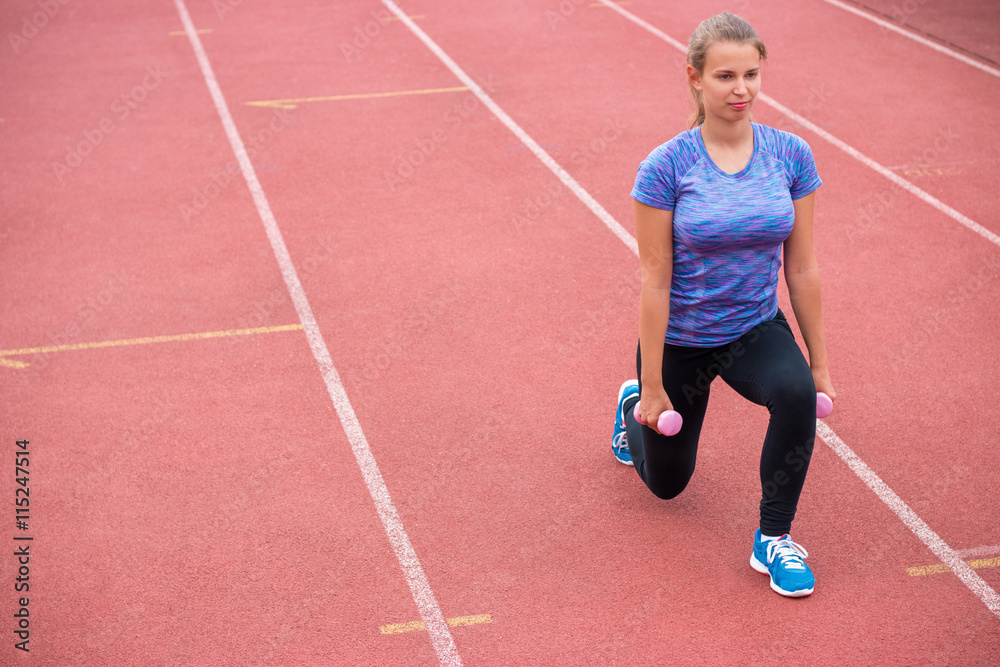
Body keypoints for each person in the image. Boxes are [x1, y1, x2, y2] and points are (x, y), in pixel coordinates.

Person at [611, 12, 835, 598]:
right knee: (666, 485)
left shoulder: (791, 155)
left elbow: (803, 266)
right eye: (726, 76)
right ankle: (632, 402)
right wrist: (655, 383)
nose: (742, 90)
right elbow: (655, 278)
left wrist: (819, 362)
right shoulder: (666, 167)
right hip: (683, 336)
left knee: (796, 395)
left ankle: (774, 537)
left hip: (753, 327)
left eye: (752, 75)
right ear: (695, 78)